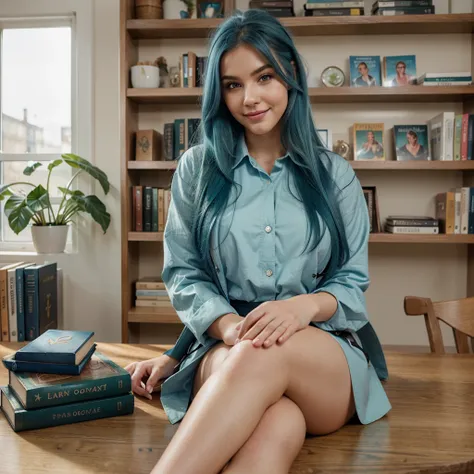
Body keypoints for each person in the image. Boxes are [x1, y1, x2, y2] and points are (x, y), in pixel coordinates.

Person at [125, 9, 391, 474]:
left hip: (320, 356)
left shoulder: (336, 176)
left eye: (264, 76)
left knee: (261, 357)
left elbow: (351, 281)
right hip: (229, 347)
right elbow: (185, 273)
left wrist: (301, 308)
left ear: (290, 75)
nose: (249, 98)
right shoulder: (197, 169)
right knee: (277, 422)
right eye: (232, 84)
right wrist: (228, 327)